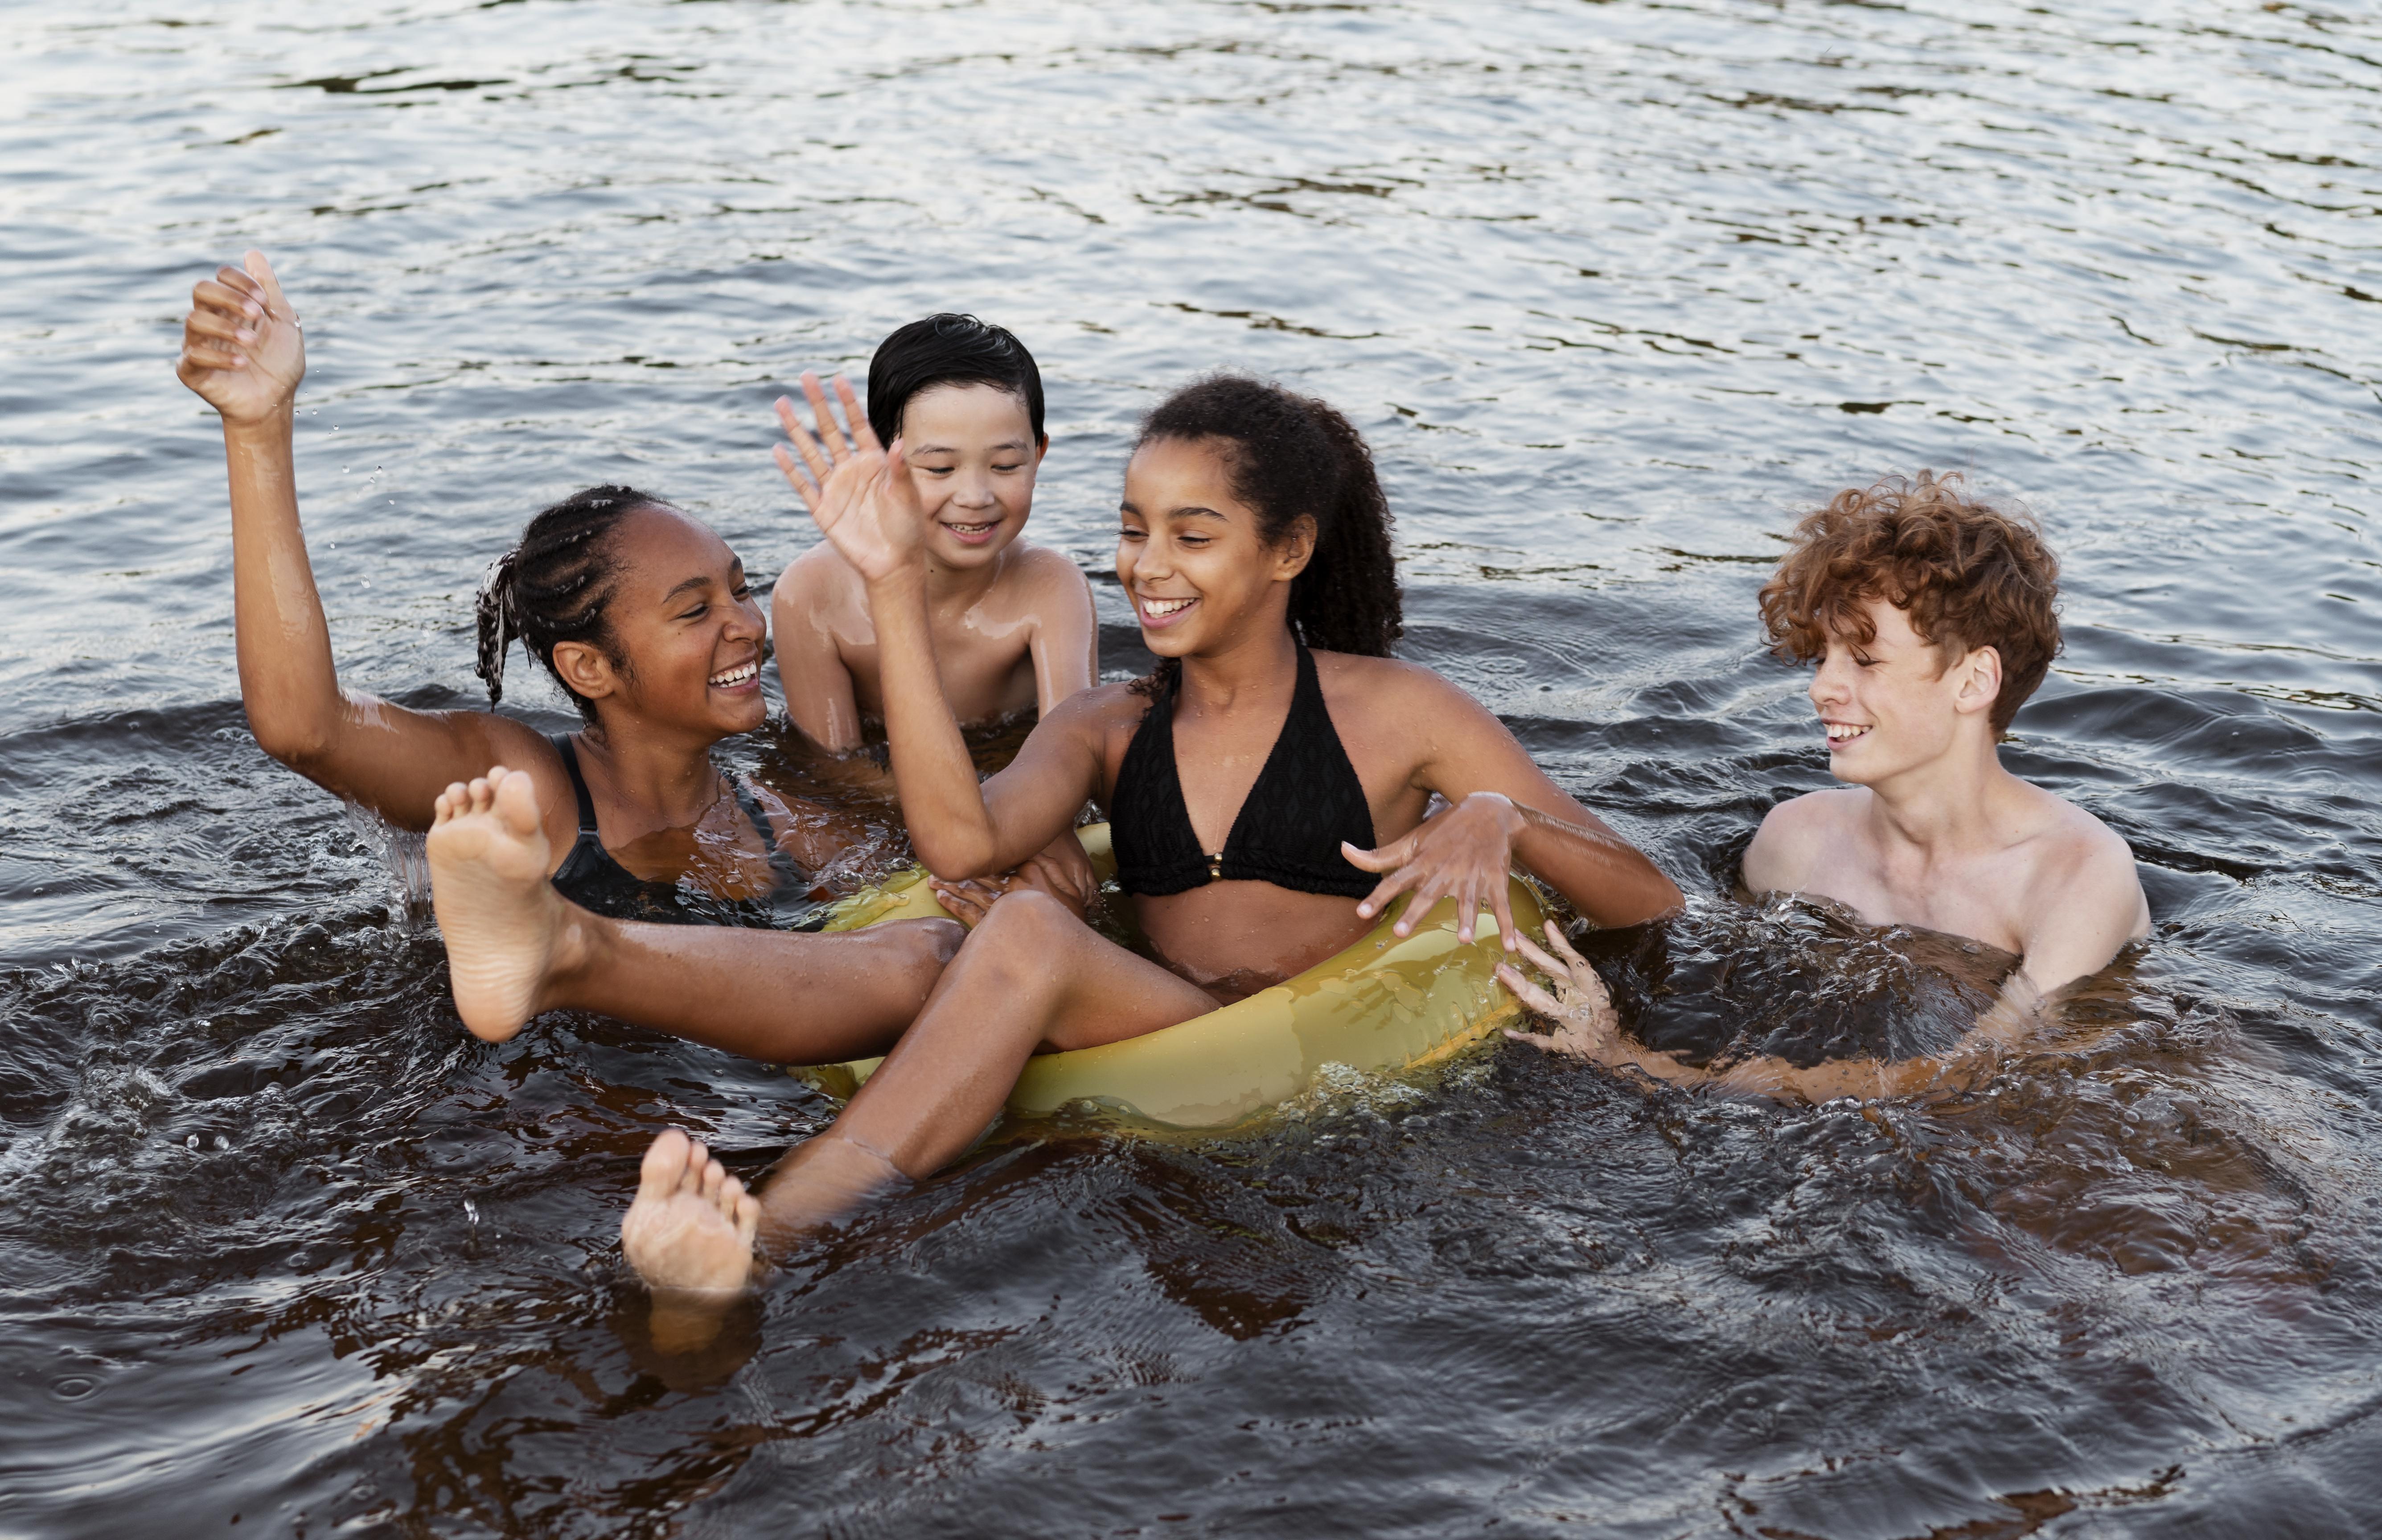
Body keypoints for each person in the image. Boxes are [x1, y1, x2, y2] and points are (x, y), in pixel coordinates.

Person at [418, 371, 1685, 1328]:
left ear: (1286, 550)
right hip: (1164, 1020)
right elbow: (957, 834)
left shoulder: (1402, 713)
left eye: (1193, 536)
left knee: (1020, 931)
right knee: (936, 939)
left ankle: (768, 1232)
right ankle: (566, 948)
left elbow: (1648, 894)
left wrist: (1493, 817)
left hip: (1301, 1052)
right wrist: (894, 584)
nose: (1148, 567)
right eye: (1134, 530)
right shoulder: (1109, 724)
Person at [174, 250, 960, 1059]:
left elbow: (934, 863)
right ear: (589, 668)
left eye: (740, 587)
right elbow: (305, 727)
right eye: (695, 609)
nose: (746, 624)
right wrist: (258, 429)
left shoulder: (779, 823)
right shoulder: (527, 790)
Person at [1501, 472, 2150, 1102]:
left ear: (1974, 681)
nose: (1821, 688)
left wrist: (1635, 1063)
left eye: (1865, 661)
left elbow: (1972, 1078)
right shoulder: (1793, 842)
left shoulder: (2077, 876)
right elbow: (1695, 985)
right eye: (1823, 658)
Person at [769, 313, 1097, 756]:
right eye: (940, 468)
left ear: (1038, 457)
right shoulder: (811, 595)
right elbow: (831, 774)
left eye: (1005, 466)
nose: (976, 496)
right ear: (881, 462)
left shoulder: (1051, 588)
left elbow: (1072, 761)